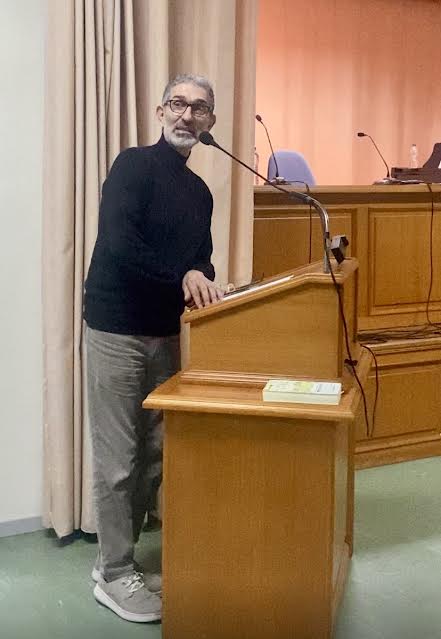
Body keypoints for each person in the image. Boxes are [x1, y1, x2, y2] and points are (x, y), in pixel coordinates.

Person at [84, 73, 223, 623]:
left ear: (211, 122)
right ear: (161, 111)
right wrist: (182, 276)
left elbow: (201, 258)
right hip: (117, 330)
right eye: (178, 104)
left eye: (200, 108)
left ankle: (121, 562)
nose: (187, 115)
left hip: (166, 334)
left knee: (154, 458)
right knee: (119, 461)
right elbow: (121, 246)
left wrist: (201, 274)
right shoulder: (133, 166)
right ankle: (113, 572)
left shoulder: (200, 192)